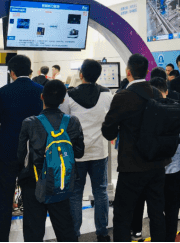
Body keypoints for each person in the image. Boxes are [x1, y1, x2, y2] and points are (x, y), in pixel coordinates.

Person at [102, 54, 168, 242]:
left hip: (131, 165)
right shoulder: (156, 93)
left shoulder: (123, 96)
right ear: (147, 72)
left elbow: (108, 131)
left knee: (123, 214)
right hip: (157, 163)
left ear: (128, 72)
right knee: (157, 212)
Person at [17, 80, 83, 242]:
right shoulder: (72, 121)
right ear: (63, 100)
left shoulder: (29, 123)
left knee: (33, 231)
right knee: (65, 230)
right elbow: (79, 152)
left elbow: (20, 156)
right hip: (60, 181)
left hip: (33, 182)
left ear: (42, 97)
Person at [60, 59, 113, 242]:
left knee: (75, 194)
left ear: (81, 74)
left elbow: (63, 120)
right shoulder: (107, 94)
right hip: (99, 151)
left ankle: (74, 235)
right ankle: (102, 233)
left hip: (76, 152)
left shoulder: (68, 96)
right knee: (101, 191)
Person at [0, 55, 44, 242]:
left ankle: (1, 238)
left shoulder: (5, 91)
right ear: (30, 70)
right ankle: (32, 238)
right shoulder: (41, 90)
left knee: (5, 196)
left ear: (12, 72)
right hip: (33, 151)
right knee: (32, 197)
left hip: (9, 149)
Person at [130, 77, 180, 242]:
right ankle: (170, 238)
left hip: (154, 166)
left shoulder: (147, 108)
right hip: (174, 164)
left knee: (155, 208)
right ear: (166, 91)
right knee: (172, 206)